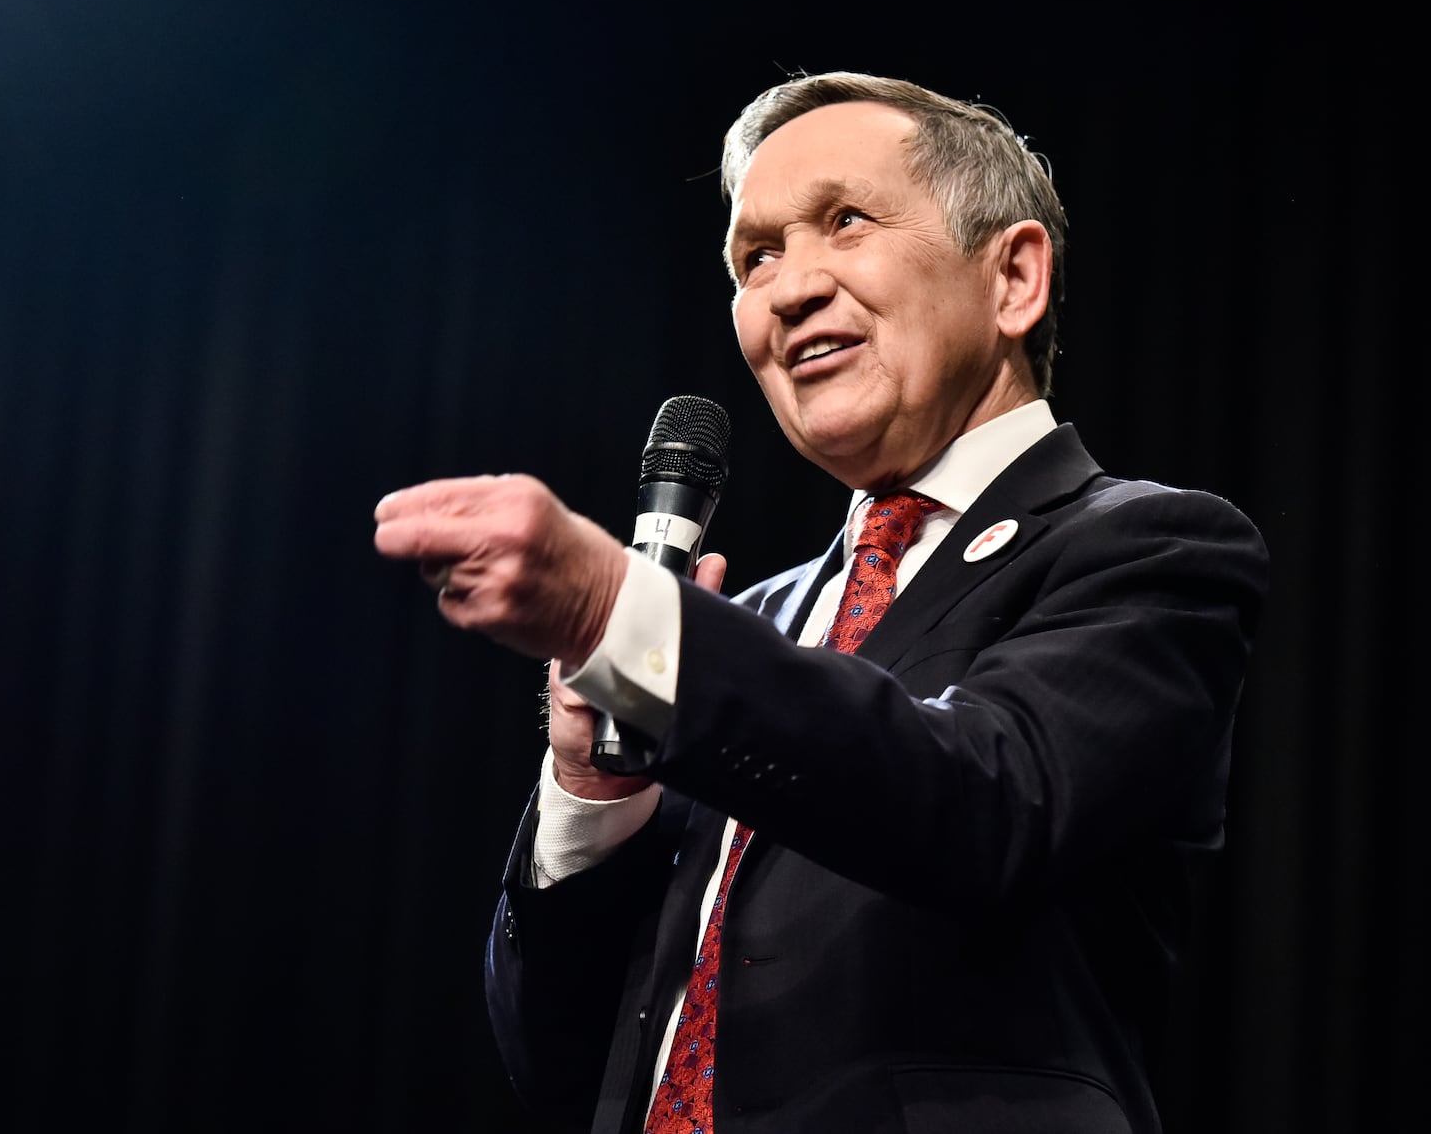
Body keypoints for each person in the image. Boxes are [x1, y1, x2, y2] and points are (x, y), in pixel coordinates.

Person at [374, 71, 1268, 1134]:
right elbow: (566, 1060)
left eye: (844, 222)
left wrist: (623, 614)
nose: (790, 287)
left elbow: (987, 806)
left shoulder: (1147, 547)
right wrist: (591, 788)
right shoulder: (738, 630)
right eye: (756, 256)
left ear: (1015, 278)